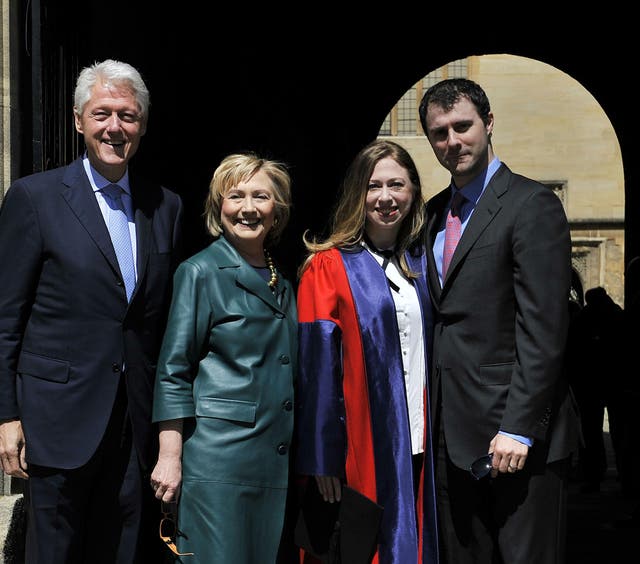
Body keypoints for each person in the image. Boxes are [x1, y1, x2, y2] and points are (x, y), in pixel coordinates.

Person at [0, 59, 184, 563]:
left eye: (127, 116)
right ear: (80, 120)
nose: (114, 128)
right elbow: (5, 317)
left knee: (123, 548)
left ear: (142, 125)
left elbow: (158, 321)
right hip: (56, 417)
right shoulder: (34, 198)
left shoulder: (164, 206)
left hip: (133, 422)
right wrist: (6, 415)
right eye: (102, 114)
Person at [418, 78, 580, 564]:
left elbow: (545, 329)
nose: (453, 142)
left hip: (515, 440)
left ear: (488, 124)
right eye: (439, 133)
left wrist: (520, 426)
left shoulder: (532, 205)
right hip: (450, 436)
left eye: (463, 127)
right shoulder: (430, 215)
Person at [294, 139, 439, 563]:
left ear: (413, 191)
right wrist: (321, 458)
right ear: (358, 193)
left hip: (423, 439)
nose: (386, 198)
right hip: (361, 446)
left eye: (397, 185)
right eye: (374, 186)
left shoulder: (423, 266)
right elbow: (317, 369)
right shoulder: (328, 266)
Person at [150, 153, 298, 563]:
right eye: (236, 196)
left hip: (272, 463)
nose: (248, 208)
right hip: (218, 467)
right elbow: (173, 370)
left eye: (261, 196)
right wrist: (170, 457)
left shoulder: (281, 279)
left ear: (277, 208)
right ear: (219, 206)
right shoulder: (199, 272)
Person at [567, 286, 626, 493]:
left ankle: (594, 475)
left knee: (592, 433)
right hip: (615, 383)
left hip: (591, 385)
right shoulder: (617, 316)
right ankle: (626, 476)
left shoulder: (584, 318)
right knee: (618, 432)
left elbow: (572, 352)